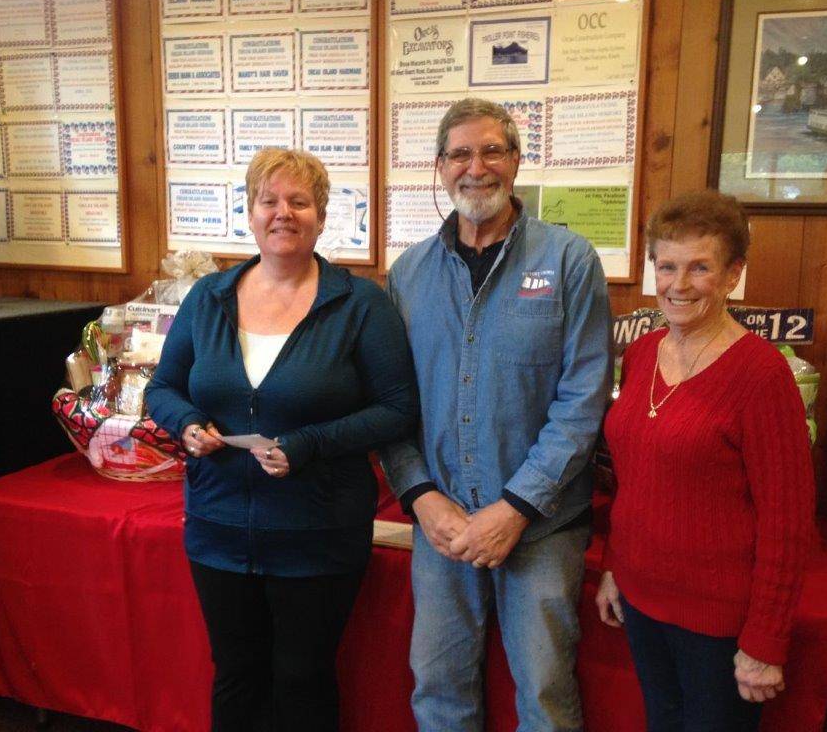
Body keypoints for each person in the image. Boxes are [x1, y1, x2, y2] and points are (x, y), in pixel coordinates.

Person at [145, 148, 418, 732]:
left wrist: (308, 444)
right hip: (218, 528)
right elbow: (162, 388)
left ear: (321, 215)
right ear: (250, 212)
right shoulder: (209, 297)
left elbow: (397, 409)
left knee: (303, 678)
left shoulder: (360, 304)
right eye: (269, 200)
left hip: (316, 533)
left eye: (299, 201)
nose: (283, 213)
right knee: (237, 674)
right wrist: (188, 424)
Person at [382, 98, 612, 732]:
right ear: (439, 167)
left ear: (515, 160)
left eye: (491, 151)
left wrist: (515, 508)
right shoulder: (408, 275)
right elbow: (393, 405)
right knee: (438, 687)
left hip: (541, 528)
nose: (475, 167)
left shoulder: (568, 260)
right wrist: (423, 496)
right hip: (443, 525)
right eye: (459, 153)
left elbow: (583, 399)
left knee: (544, 695)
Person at [596, 189, 815, 731]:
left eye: (701, 267)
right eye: (667, 266)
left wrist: (765, 640)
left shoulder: (762, 376)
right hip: (642, 602)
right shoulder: (643, 351)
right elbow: (636, 479)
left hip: (717, 622)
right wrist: (612, 569)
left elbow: (787, 522)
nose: (679, 284)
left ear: (733, 272)